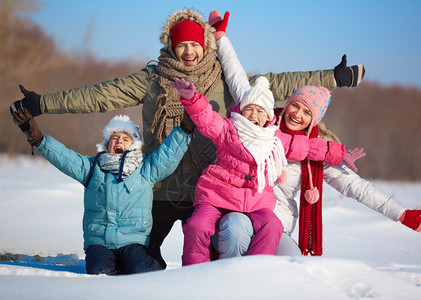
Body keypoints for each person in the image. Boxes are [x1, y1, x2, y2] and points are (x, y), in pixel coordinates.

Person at [9, 8, 366, 268]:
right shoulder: (152, 79)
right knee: (142, 267)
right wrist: (44, 103)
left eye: (196, 45)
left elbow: (278, 83)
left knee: (210, 268)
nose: (190, 52)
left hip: (207, 191)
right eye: (182, 46)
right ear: (171, 45)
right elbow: (100, 94)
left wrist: (334, 76)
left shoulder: (223, 78)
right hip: (159, 189)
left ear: (206, 45)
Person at [208, 10, 421, 258]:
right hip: (238, 217)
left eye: (307, 112)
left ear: (313, 121)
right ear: (288, 104)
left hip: (277, 226)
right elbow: (236, 77)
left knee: (296, 271)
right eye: (296, 105)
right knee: (234, 241)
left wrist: (402, 214)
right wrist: (220, 37)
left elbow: (357, 188)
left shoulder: (314, 154)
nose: (297, 114)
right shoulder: (258, 120)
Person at [171, 76, 363, 265]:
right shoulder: (228, 129)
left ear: (268, 116)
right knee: (197, 225)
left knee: (273, 225)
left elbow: (307, 147)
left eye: (260, 111)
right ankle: (194, 272)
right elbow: (207, 119)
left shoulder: (274, 138)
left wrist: (340, 153)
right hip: (216, 196)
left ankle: (256, 269)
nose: (254, 115)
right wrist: (192, 99)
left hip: (255, 201)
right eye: (249, 109)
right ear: (242, 111)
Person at [10, 108, 193, 275]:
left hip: (133, 242)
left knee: (142, 271)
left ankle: (151, 260)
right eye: (114, 138)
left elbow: (167, 156)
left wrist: (184, 129)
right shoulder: (92, 168)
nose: (119, 141)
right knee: (100, 272)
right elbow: (65, 158)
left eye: (125, 138)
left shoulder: (144, 170)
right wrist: (39, 139)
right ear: (107, 144)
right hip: (100, 242)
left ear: (134, 146)